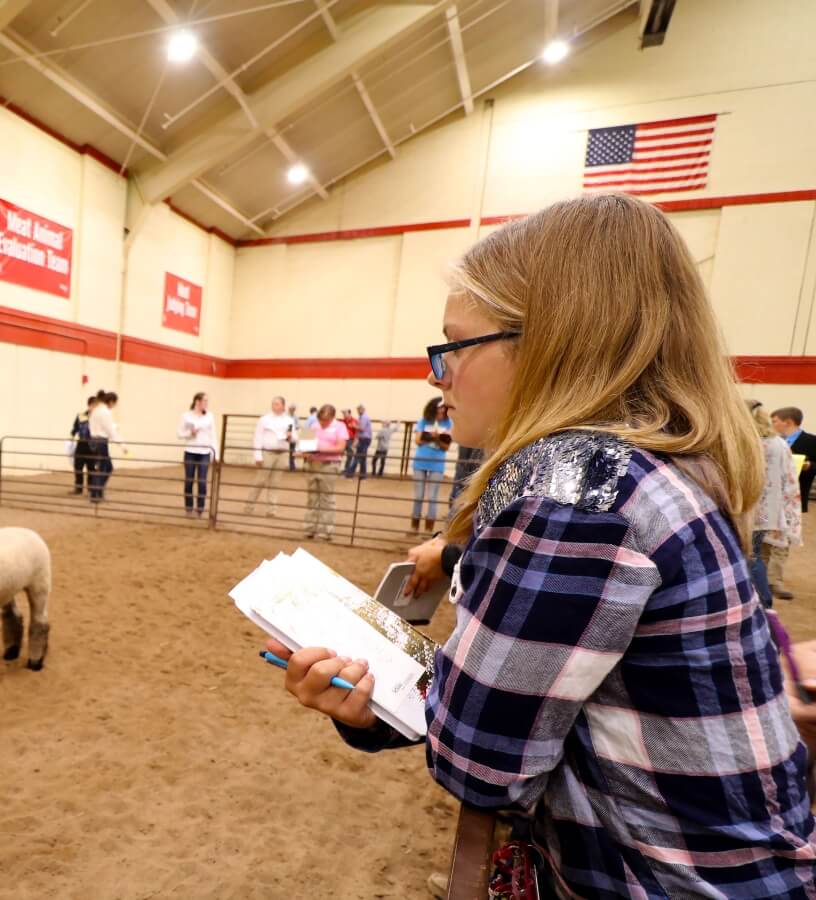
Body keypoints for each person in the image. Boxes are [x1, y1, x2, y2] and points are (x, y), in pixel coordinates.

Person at [266, 194, 812, 898]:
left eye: (452, 345)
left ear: (547, 342)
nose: (436, 374)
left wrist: (382, 691)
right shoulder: (658, 466)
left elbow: (482, 762)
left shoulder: (573, 493)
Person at [750, 401, 801, 606]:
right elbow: (789, 477)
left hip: (753, 508)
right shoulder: (779, 443)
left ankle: (763, 596)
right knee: (766, 551)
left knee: (754, 553)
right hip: (774, 507)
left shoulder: (750, 442)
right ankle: (768, 588)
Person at [303, 404, 347, 540]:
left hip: (329, 465)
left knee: (327, 498)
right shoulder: (313, 425)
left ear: (333, 417)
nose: (322, 423)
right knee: (312, 498)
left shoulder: (340, 427)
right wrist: (304, 452)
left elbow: (340, 448)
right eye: (321, 419)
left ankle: (326, 530)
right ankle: (310, 528)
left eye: (326, 420)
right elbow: (305, 445)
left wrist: (321, 449)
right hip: (312, 464)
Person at [246, 396, 294, 516]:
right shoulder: (264, 419)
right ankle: (249, 505)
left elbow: (294, 437)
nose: (274, 406)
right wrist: (258, 455)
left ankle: (272, 509)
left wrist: (290, 437)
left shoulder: (289, 420)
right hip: (268, 452)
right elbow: (257, 437)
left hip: (282, 453)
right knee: (260, 480)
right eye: (273, 404)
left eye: (277, 404)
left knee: (275, 482)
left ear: (283, 406)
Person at [410, 397, 451, 533]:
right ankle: (414, 526)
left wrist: (436, 438)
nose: (440, 412)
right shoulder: (424, 421)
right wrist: (434, 437)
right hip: (420, 461)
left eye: (442, 409)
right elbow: (417, 440)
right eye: (438, 409)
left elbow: (445, 447)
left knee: (433, 497)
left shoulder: (449, 423)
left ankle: (429, 529)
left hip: (437, 464)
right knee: (418, 495)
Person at [178, 392, 215, 518]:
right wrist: (190, 433)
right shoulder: (186, 416)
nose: (206, 403)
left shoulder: (210, 416)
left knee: (202, 481)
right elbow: (179, 434)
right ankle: (189, 507)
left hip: (205, 452)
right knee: (189, 480)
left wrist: (215, 453)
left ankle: (200, 509)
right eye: (204, 401)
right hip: (190, 452)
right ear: (197, 401)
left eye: (207, 401)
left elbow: (213, 435)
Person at [772, 407, 816, 514]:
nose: (772, 424)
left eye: (774, 421)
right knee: (766, 525)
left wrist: (808, 465)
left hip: (795, 497)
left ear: (788, 422)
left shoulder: (812, 441)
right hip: (771, 497)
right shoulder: (773, 441)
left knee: (790, 530)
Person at [87, 391, 122, 502]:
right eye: (114, 403)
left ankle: (97, 492)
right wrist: (121, 444)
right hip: (101, 442)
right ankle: (95, 494)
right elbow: (109, 429)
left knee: (105, 468)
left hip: (94, 440)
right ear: (110, 401)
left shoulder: (96, 410)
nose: (114, 406)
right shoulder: (105, 412)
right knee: (104, 468)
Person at [69, 395, 98, 495]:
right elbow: (75, 429)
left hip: (93, 446)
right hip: (81, 444)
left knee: (91, 468)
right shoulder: (81, 416)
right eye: (93, 405)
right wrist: (71, 438)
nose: (94, 408)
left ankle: (90, 488)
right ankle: (78, 488)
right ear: (89, 405)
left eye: (96, 406)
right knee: (78, 467)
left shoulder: (98, 418)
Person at [345, 404, 373, 479]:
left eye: (359, 409)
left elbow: (361, 428)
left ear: (363, 409)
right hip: (364, 439)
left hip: (364, 439)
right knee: (361, 457)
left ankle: (350, 474)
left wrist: (353, 426)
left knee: (358, 457)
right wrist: (356, 439)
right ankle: (362, 476)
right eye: (358, 409)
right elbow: (360, 430)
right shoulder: (362, 417)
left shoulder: (363, 417)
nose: (358, 411)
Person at [286, 403, 300, 470]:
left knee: (292, 450)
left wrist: (294, 427)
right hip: (286, 435)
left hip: (293, 435)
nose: (292, 410)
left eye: (293, 409)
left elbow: (297, 425)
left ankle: (292, 466)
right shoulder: (285, 416)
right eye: (291, 409)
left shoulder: (296, 417)